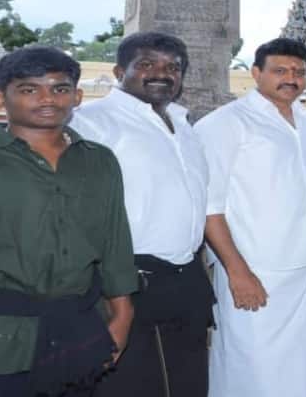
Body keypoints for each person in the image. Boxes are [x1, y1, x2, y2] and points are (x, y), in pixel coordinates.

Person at [0, 46, 137, 396]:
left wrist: (123, 317)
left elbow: (115, 245)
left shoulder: (100, 162)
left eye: (60, 88)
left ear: (77, 97)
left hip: (81, 335)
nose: (47, 99)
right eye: (29, 89)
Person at [196, 38, 306, 397]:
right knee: (248, 366)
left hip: (305, 267)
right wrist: (237, 271)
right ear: (256, 73)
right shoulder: (226, 123)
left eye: (298, 72)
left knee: (299, 366)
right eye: (280, 70)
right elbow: (209, 206)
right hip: (254, 267)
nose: (291, 78)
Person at [72, 32, 213, 397]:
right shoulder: (93, 122)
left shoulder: (183, 125)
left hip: (186, 279)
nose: (162, 74)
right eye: (147, 64)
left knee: (188, 384)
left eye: (173, 67)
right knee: (129, 385)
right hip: (125, 280)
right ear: (120, 71)